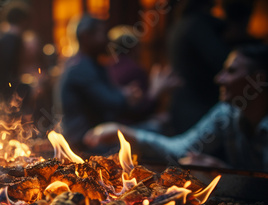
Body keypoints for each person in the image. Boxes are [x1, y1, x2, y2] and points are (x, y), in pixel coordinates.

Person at [84, 44, 268, 172]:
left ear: (259, 79)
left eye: (232, 71)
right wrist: (124, 132)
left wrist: (226, 172)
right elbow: (181, 149)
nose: (219, 79)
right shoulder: (226, 114)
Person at [58, 15, 138, 152]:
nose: (107, 39)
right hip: (86, 143)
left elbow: (111, 97)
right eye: (102, 33)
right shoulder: (81, 68)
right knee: (143, 140)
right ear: (85, 37)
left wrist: (123, 94)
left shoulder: (92, 64)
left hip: (97, 136)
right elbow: (111, 103)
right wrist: (125, 96)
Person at [167, 0, 230, 134]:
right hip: (199, 104)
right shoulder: (196, 25)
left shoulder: (180, 24)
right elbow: (221, 60)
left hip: (184, 103)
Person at [0, 1, 30, 102]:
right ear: (23, 21)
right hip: (11, 97)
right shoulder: (13, 41)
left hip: (3, 94)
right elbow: (10, 76)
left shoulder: (1, 40)